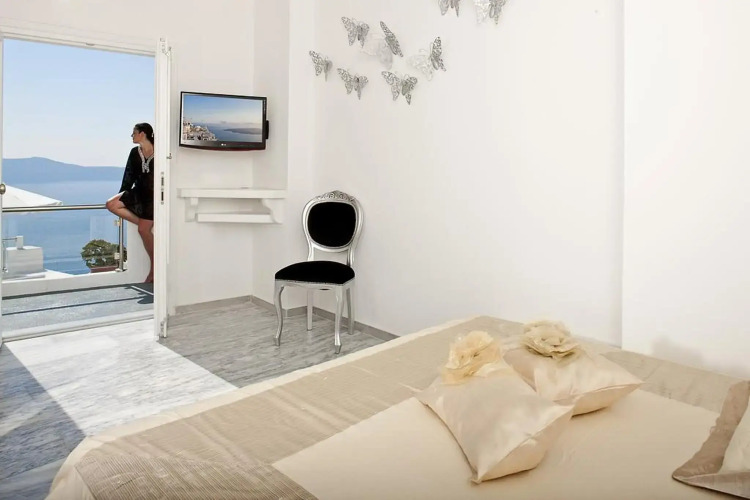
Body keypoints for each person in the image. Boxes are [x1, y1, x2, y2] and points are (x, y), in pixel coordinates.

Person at [106, 123, 155, 283]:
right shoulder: (135, 152)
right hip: (138, 192)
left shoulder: (160, 150)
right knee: (111, 204)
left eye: (134, 133)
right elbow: (128, 176)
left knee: (143, 230)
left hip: (154, 196)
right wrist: (123, 194)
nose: (132, 136)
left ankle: (154, 269)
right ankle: (145, 223)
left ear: (142, 134)